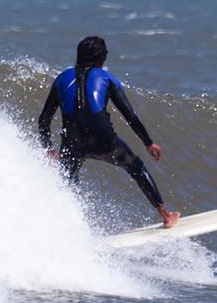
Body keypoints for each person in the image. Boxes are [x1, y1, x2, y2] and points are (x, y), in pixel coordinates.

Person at [38, 35, 179, 228]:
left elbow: (44, 120)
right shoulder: (107, 78)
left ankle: (71, 228)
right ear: (102, 59)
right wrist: (148, 143)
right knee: (136, 168)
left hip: (73, 143)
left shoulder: (62, 79)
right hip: (104, 142)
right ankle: (166, 215)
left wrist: (48, 148)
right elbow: (130, 116)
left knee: (68, 182)